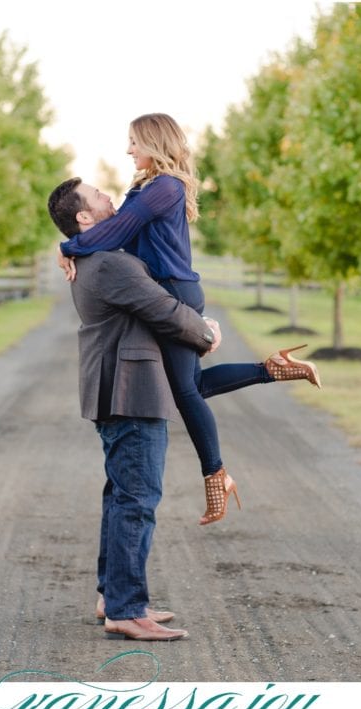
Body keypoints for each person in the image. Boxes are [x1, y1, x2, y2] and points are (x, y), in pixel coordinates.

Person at [56, 113, 321, 527]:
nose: (128, 150)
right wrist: (73, 246)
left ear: (154, 142)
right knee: (190, 385)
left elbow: (115, 234)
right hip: (168, 285)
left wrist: (68, 245)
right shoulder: (146, 186)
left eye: (134, 142)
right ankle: (273, 369)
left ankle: (216, 474)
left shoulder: (165, 187)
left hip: (174, 289)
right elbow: (118, 236)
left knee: (185, 393)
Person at [47, 177, 223, 641]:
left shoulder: (91, 257)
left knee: (122, 497)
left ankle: (113, 595)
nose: (109, 196)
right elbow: (164, 309)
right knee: (138, 500)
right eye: (98, 195)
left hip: (116, 391)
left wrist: (64, 247)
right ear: (84, 217)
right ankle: (126, 609)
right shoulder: (109, 265)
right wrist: (207, 332)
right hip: (132, 391)